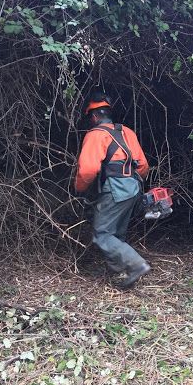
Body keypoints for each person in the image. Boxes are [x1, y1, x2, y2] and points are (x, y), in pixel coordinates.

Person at [74, 91, 151, 289]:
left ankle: (136, 264)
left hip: (115, 189)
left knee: (103, 234)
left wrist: (79, 188)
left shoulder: (95, 135)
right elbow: (143, 167)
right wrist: (131, 183)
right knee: (117, 234)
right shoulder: (127, 132)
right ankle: (117, 273)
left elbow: (89, 169)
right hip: (134, 188)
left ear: (93, 116)